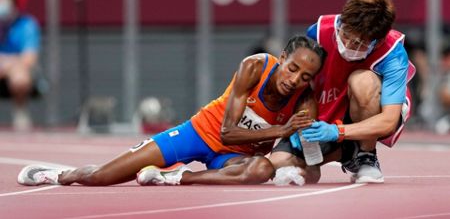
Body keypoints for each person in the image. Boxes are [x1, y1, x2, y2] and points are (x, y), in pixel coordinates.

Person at [18, 35, 327, 186]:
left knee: (261, 169)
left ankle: (178, 177)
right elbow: (226, 131)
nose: (294, 80)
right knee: (102, 176)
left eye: (304, 77)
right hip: (199, 133)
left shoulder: (305, 103)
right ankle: (57, 174)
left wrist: (302, 171)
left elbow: (313, 165)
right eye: (292, 68)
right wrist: (283, 131)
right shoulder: (255, 66)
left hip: (234, 158)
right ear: (282, 57)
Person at [270, 0, 416, 184]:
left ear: (377, 41)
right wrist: (300, 123)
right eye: (345, 33)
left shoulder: (393, 55)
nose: (346, 44)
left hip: (371, 105)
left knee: (362, 81)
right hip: (328, 106)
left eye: (358, 43)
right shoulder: (319, 32)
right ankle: (341, 154)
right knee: (278, 163)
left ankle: (366, 155)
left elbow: (388, 121)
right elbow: (305, 85)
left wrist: (336, 132)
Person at [0, 0, 41, 132]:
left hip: (14, 73)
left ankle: (20, 111)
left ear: (13, 0)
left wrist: (7, 65)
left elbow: (29, 58)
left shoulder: (26, 24)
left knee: (20, 76)